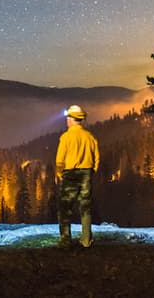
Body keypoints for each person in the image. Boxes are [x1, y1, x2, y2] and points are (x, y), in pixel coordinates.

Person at [55, 104, 99, 248]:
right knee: (85, 208)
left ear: (73, 119)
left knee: (65, 208)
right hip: (86, 173)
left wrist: (59, 173)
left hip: (70, 174)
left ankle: (65, 240)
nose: (67, 120)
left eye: (68, 117)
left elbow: (60, 160)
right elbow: (97, 158)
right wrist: (92, 171)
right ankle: (86, 240)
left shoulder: (66, 137)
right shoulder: (90, 137)